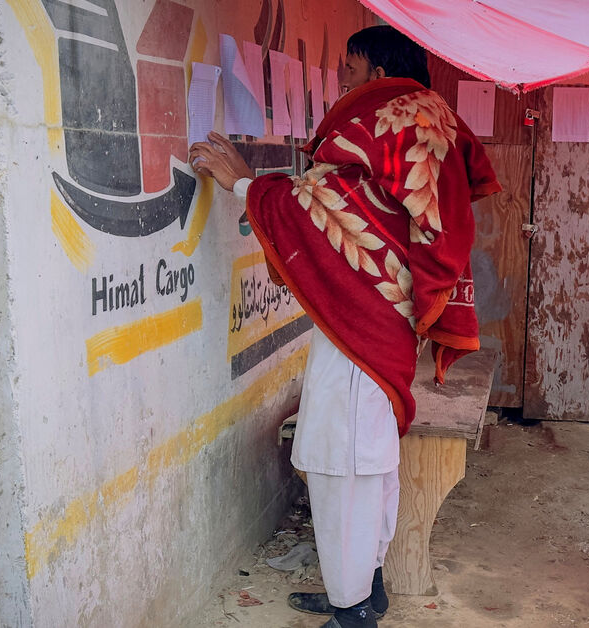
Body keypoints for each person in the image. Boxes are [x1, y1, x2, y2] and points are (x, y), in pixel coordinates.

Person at [189, 25, 499, 628]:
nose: (344, 86)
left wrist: (248, 184)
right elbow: (352, 204)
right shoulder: (428, 120)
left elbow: (326, 209)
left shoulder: (390, 119)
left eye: (351, 72)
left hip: (364, 323)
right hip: (378, 320)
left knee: (346, 460)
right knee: (365, 457)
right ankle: (364, 587)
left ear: (381, 74)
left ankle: (353, 609)